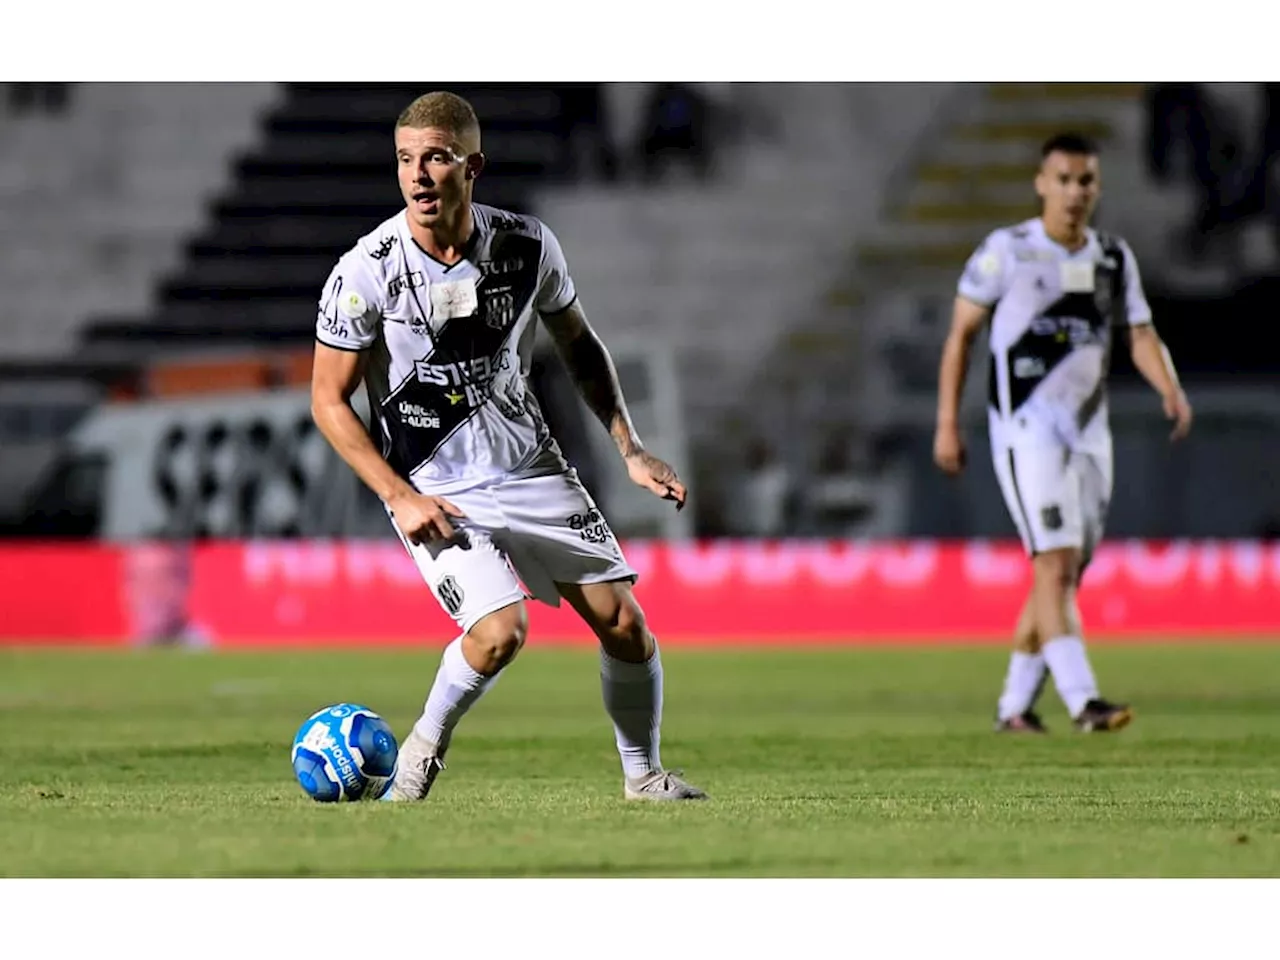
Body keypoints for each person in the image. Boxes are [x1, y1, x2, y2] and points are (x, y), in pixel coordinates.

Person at [309, 91, 706, 802]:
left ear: (473, 166)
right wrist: (399, 497)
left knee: (626, 628)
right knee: (500, 632)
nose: (419, 176)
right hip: (437, 485)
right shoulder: (366, 271)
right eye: (406, 161)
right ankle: (415, 762)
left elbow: (579, 344)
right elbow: (327, 400)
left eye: (436, 157)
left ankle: (643, 778)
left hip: (530, 466)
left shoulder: (526, 246)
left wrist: (630, 448)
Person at [933, 132, 1193, 734]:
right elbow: (961, 337)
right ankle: (1083, 701)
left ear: (1097, 187)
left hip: (1088, 432)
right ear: (1041, 183)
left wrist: (1169, 388)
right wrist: (948, 422)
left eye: (1086, 181)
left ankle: (1014, 707)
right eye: (1064, 179)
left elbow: (1140, 332)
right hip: (1026, 429)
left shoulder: (1111, 257)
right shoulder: (1008, 251)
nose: (1075, 192)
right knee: (1054, 562)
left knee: (1064, 571)